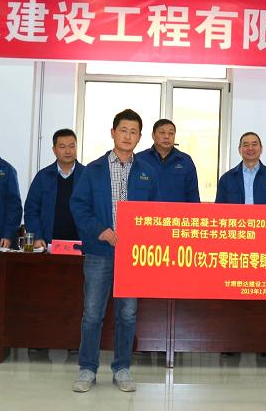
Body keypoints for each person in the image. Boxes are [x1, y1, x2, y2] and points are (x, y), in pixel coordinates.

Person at [70, 109, 159, 393]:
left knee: (128, 315)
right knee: (92, 314)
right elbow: (78, 206)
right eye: (123, 130)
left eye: (133, 132)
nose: (128, 136)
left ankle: (122, 369)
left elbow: (155, 213)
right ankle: (87, 369)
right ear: (113, 133)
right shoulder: (93, 170)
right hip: (99, 252)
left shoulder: (147, 172)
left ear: (140, 137)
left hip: (132, 257)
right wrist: (99, 230)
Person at [23, 129, 85, 249]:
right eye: (62, 147)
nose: (68, 151)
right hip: (48, 244)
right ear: (54, 150)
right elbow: (31, 211)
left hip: (81, 245)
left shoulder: (87, 175)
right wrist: (37, 236)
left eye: (72, 146)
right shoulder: (43, 176)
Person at [216, 132, 266, 205]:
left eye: (254, 144)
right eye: (246, 145)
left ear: (261, 149)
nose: (250, 148)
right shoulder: (226, 179)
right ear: (239, 150)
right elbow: (218, 209)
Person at [141, 119, 199, 203]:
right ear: (153, 135)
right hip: (146, 211)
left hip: (177, 211)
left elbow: (193, 196)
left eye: (171, 133)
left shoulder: (185, 161)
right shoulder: (140, 159)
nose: (167, 136)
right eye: (162, 132)